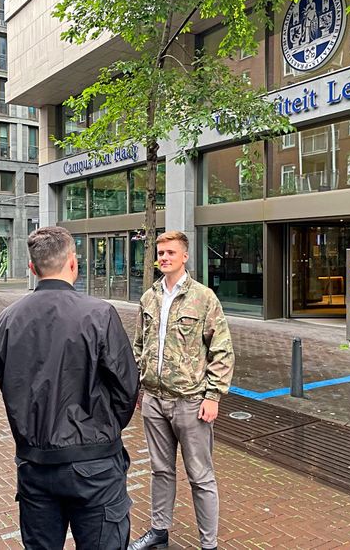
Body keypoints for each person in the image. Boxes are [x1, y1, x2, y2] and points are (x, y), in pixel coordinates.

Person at [0, 226, 139, 550]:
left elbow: (9, 385)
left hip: (35, 465)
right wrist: (100, 429)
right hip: (95, 466)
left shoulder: (6, 320)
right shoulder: (100, 314)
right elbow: (127, 388)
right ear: (74, 263)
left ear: (32, 268)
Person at [129, 231, 235, 550]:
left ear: (184, 256)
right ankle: (159, 531)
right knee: (161, 470)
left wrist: (213, 396)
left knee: (200, 477)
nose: (164, 257)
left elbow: (223, 350)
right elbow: (139, 345)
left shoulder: (203, 298)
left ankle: (209, 544)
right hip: (154, 402)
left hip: (191, 404)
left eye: (171, 252)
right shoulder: (149, 298)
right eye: (160, 252)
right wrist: (139, 386)